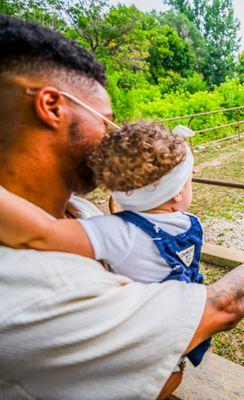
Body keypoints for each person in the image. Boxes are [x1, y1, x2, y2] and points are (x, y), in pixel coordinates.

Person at [0, 15, 244, 400]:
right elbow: (223, 308)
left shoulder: (80, 213)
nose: (113, 137)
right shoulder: (39, 290)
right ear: (52, 106)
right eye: (107, 120)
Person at [0, 120, 216, 367]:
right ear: (177, 191)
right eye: (189, 181)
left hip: (149, 327)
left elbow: (43, 231)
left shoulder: (115, 232)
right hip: (183, 315)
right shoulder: (191, 223)